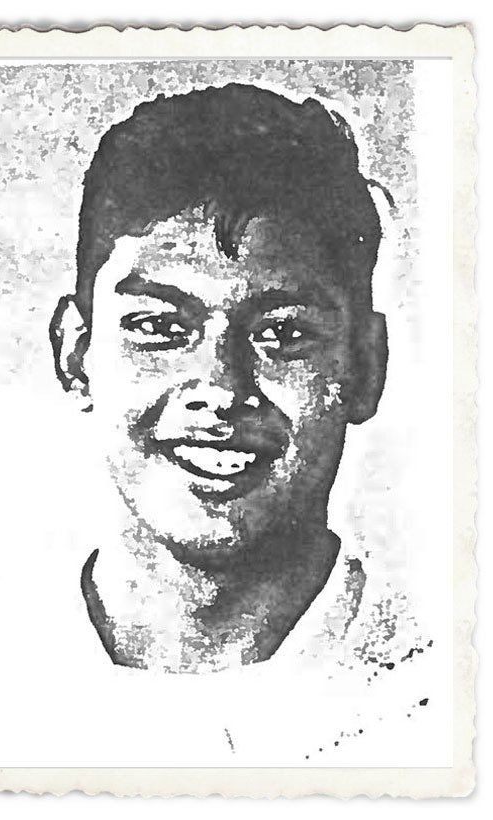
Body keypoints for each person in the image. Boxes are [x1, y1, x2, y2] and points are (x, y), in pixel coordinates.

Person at [49, 83, 388, 673]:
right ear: (78, 356)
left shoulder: (446, 683)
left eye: (282, 334)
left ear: (364, 366)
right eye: (158, 326)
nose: (223, 388)